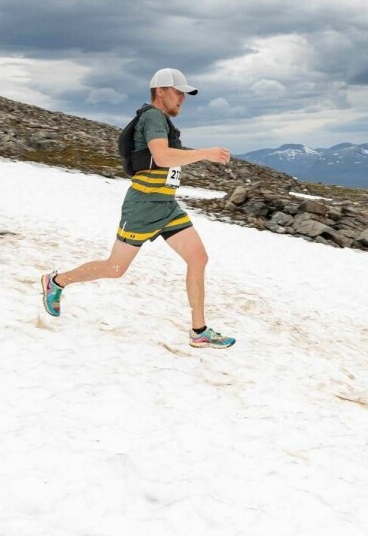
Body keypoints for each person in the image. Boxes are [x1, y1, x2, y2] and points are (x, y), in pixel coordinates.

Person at [41, 68, 235, 348]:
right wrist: (205, 153)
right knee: (115, 267)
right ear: (160, 91)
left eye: (184, 93)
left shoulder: (162, 120)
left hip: (166, 206)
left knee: (198, 258)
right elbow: (162, 155)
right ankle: (56, 282)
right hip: (143, 207)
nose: (182, 98)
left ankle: (199, 331)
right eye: (178, 92)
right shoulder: (153, 117)